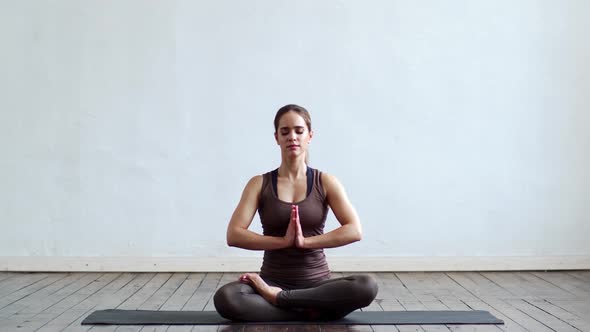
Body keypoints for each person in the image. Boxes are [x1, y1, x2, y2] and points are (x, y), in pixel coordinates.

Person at [213, 104, 378, 321]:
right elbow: (234, 235)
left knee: (366, 286)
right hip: (272, 281)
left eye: (299, 131)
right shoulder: (259, 183)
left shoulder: (326, 182)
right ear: (276, 138)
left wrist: (304, 242)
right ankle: (306, 307)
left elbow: (354, 230)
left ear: (310, 135)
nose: (292, 136)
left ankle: (281, 301)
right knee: (226, 297)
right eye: (285, 131)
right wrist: (283, 241)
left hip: (317, 285)